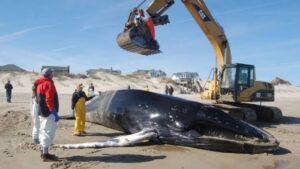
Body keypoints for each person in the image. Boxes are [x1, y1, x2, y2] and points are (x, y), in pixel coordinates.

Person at [36, 68, 60, 161]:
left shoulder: (39, 84)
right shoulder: (48, 84)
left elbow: (38, 99)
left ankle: (43, 151)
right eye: (51, 73)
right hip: (48, 112)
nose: (53, 75)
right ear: (49, 75)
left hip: (42, 112)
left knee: (43, 130)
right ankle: (45, 154)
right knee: (48, 131)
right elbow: (49, 100)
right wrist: (54, 112)